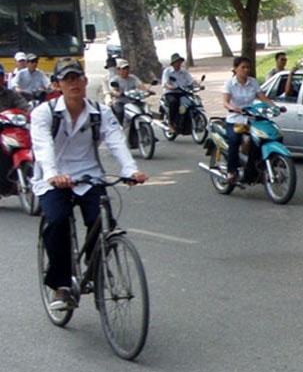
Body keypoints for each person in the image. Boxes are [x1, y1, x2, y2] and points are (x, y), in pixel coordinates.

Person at [30, 57, 148, 311]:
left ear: (85, 82)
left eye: (78, 78)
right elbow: (43, 147)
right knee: (58, 221)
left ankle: (97, 272)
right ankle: (61, 286)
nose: (74, 84)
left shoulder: (100, 112)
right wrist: (52, 174)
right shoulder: (43, 114)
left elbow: (116, 140)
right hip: (54, 179)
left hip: (89, 176)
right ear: (57, 85)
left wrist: (130, 170)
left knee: (103, 222)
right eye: (67, 79)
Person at [221, 55, 274, 184]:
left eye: (248, 67)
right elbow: (225, 102)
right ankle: (231, 170)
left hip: (252, 118)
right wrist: (233, 108)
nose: (246, 70)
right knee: (234, 140)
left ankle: (255, 168)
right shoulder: (229, 84)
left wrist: (275, 107)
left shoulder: (253, 82)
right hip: (235, 119)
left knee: (263, 137)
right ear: (235, 69)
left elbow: (263, 98)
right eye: (243, 67)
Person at [160, 53, 196, 132]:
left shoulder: (183, 71)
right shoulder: (167, 71)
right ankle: (171, 123)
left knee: (192, 102)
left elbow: (191, 80)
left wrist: (198, 85)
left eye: (180, 61)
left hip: (183, 92)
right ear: (173, 63)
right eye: (177, 62)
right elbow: (165, 83)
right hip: (171, 93)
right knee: (173, 102)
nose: (179, 63)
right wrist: (171, 87)